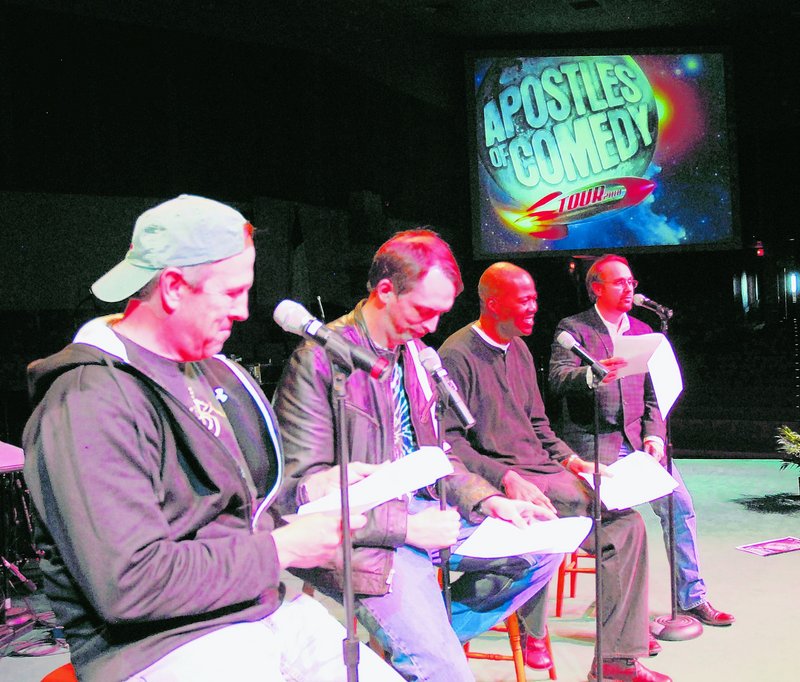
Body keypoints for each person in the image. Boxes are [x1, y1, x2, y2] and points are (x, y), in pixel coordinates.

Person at [22, 195, 402, 682]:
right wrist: (280, 551)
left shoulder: (211, 371)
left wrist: (313, 490)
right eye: (230, 293)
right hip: (160, 646)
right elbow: (128, 583)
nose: (244, 311)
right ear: (175, 287)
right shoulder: (86, 400)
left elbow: (237, 504)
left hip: (261, 612)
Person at [273, 230, 562, 682]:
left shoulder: (414, 355)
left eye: (440, 314)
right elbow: (295, 497)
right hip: (366, 539)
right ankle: (428, 654)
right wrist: (408, 528)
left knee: (542, 548)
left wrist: (489, 500)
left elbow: (437, 454)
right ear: (384, 291)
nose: (431, 326)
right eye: (424, 311)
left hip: (424, 514)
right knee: (449, 673)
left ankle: (417, 648)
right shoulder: (319, 360)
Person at [439, 262, 670, 682]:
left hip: (545, 472)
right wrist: (504, 479)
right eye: (524, 299)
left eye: (535, 299)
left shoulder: (520, 349)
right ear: (493, 303)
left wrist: (571, 460)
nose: (534, 307)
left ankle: (612, 658)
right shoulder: (456, 355)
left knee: (627, 525)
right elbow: (449, 443)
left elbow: (539, 426)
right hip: (505, 483)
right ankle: (571, 644)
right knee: (622, 524)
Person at [548, 253, 735, 629]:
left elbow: (654, 396)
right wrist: (592, 375)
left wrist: (654, 434)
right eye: (619, 282)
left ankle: (692, 598)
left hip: (636, 443)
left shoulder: (640, 330)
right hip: (594, 445)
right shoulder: (574, 329)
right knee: (622, 526)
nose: (629, 288)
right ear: (596, 287)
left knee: (680, 506)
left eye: (631, 282)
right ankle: (625, 625)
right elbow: (556, 379)